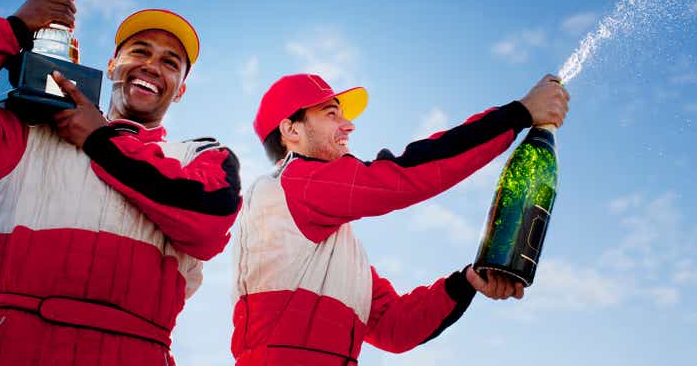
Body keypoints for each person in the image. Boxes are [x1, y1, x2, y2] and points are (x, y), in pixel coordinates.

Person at [0, 0, 242, 365]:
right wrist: (15, 28)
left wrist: (100, 140)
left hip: (139, 350)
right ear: (111, 65)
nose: (152, 66)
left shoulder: (202, 155)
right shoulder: (33, 133)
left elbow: (209, 220)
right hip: (18, 346)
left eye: (170, 63)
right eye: (140, 51)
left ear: (180, 90)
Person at [231, 72, 569, 364]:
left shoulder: (336, 251)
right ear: (291, 130)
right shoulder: (289, 183)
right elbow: (401, 177)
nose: (348, 125)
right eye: (331, 114)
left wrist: (466, 281)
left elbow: (395, 327)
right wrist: (519, 114)